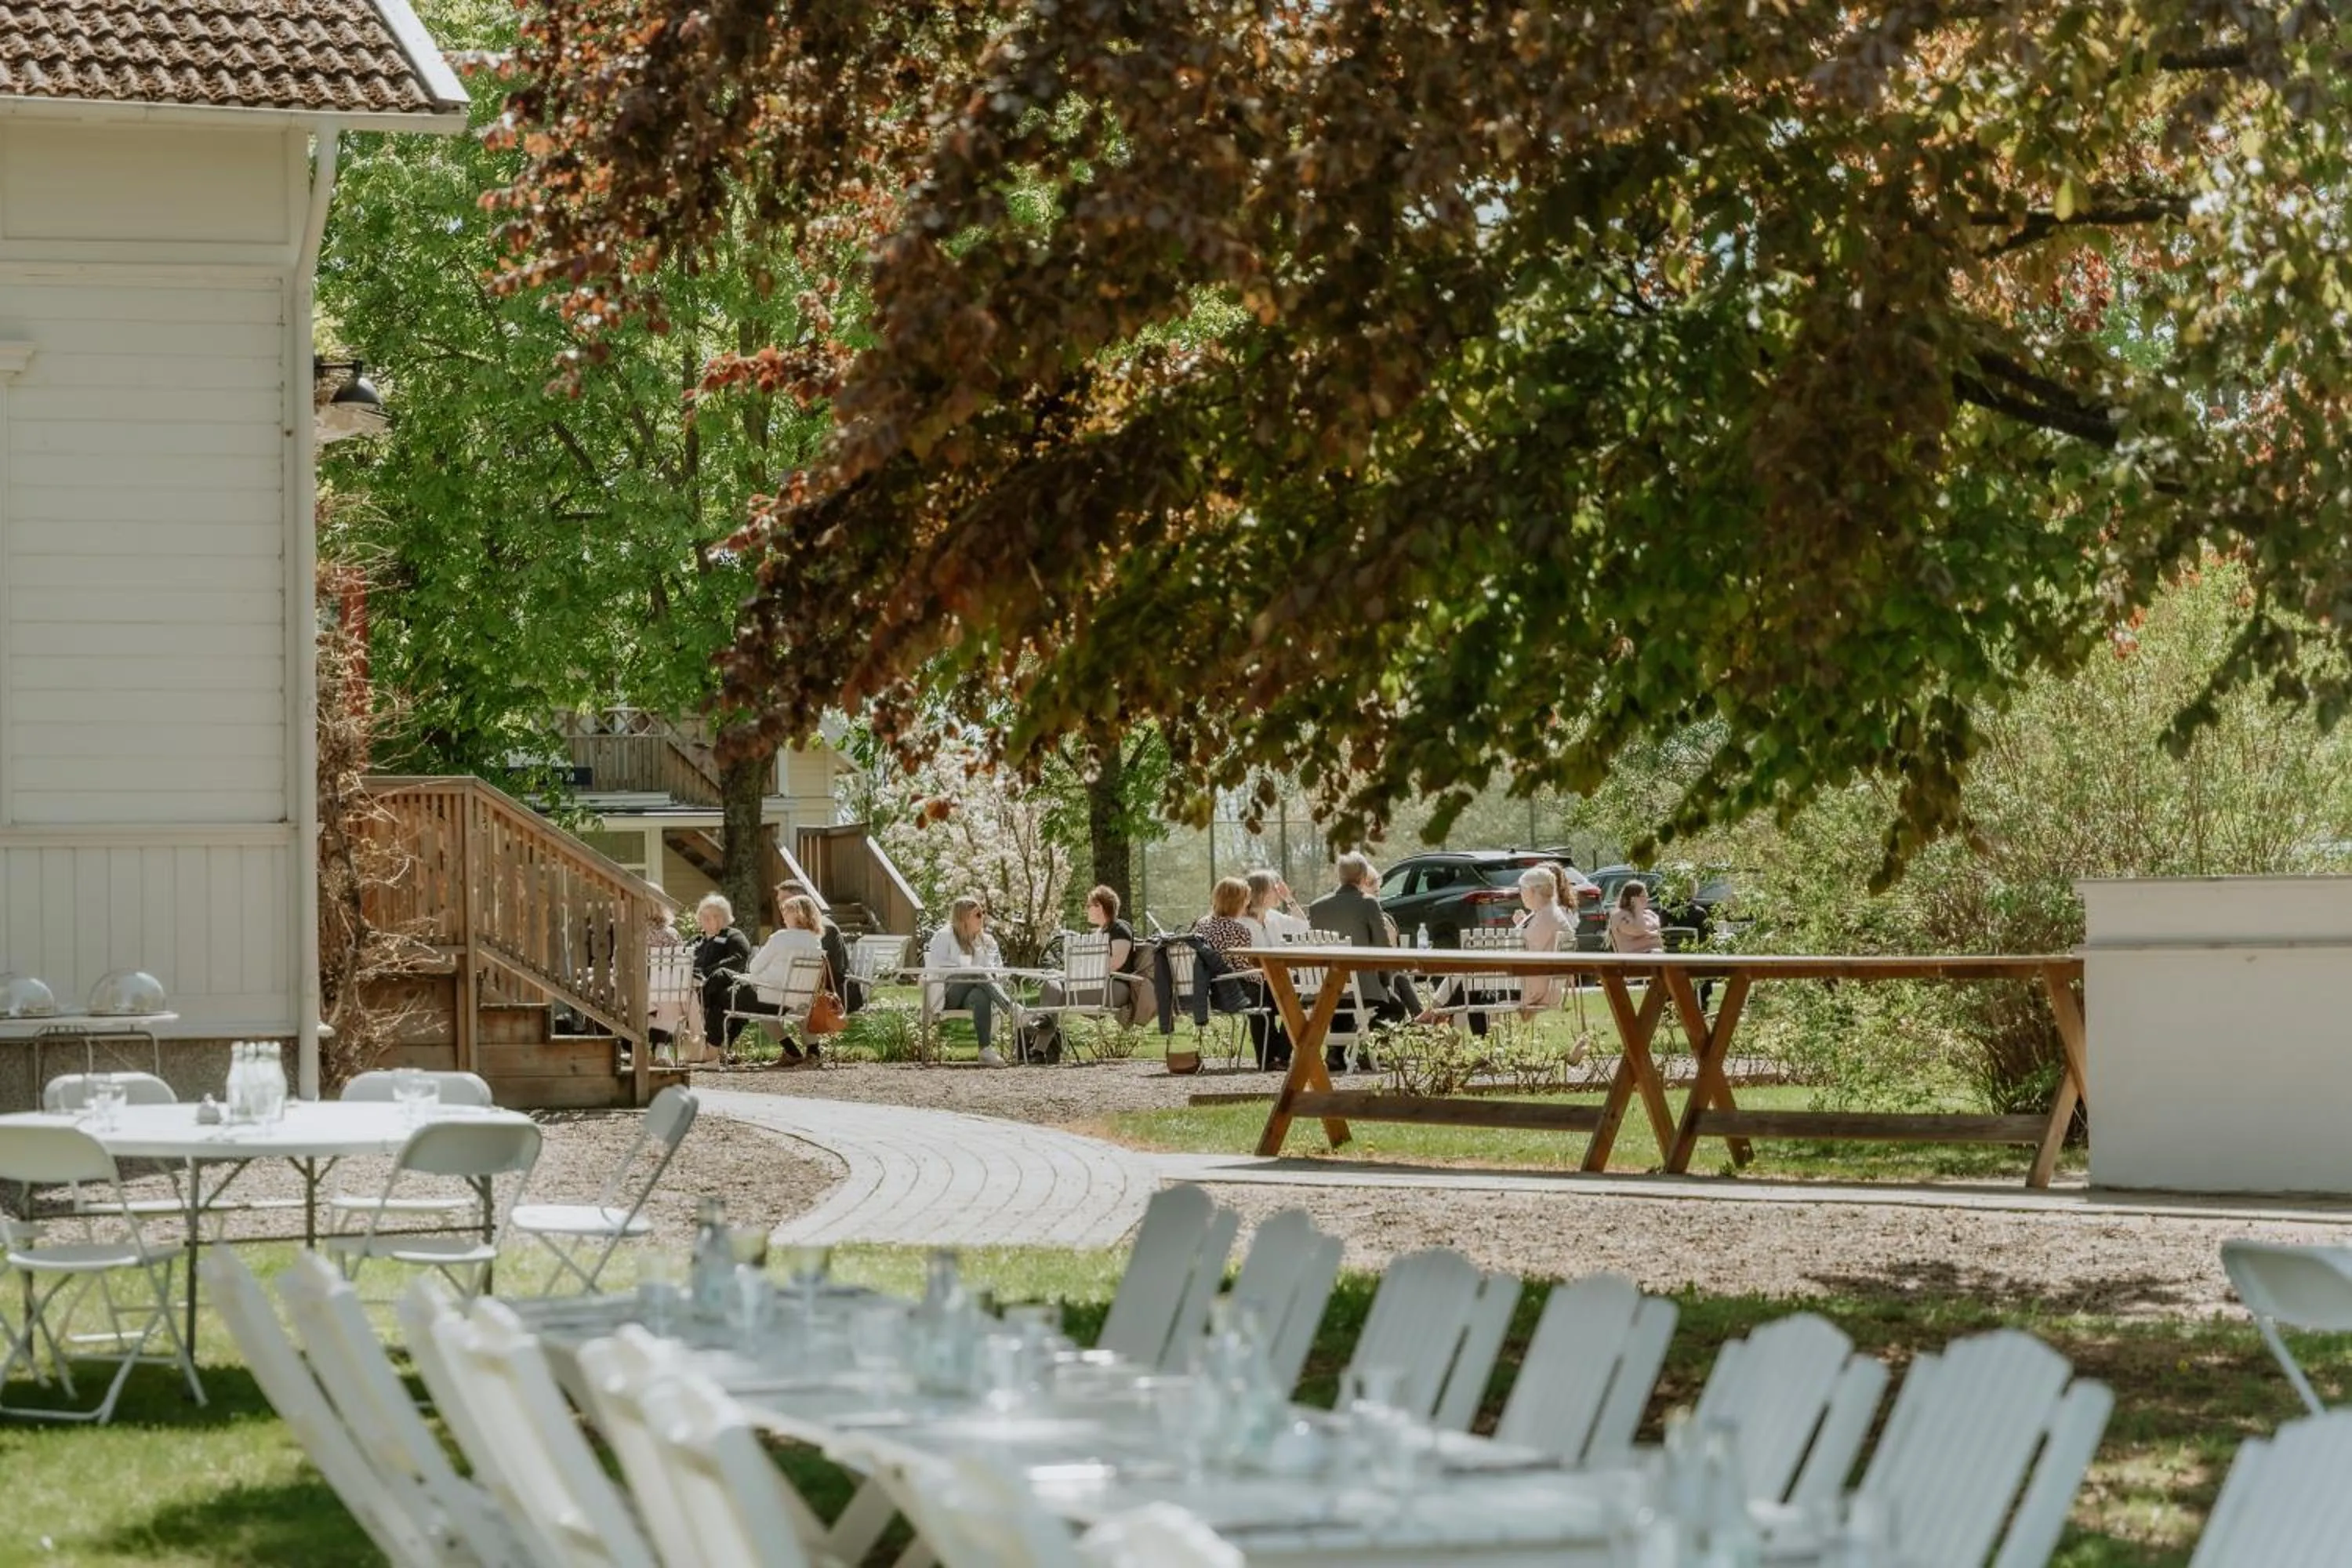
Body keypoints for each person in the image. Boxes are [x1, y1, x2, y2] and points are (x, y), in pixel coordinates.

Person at [1194, 877, 1287, 1069]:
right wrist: (1265, 974)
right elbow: (1245, 970)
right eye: (1246, 899)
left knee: (1275, 996)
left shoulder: (1202, 925)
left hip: (1211, 991)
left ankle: (1273, 1057)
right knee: (1288, 998)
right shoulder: (1238, 929)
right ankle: (1277, 1056)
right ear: (1238, 902)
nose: (1248, 902)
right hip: (1233, 992)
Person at [722, 894, 828, 1060]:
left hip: (773, 998)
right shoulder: (815, 941)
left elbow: (755, 967)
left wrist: (761, 976)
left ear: (798, 913)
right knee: (761, 1002)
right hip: (801, 999)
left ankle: (717, 1050)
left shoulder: (781, 937)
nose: (783, 916)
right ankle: (811, 1051)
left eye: (786, 912)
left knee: (728, 995)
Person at [925, 895, 1014, 1067]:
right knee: (977, 973)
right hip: (948, 993)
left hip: (973, 993)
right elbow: (936, 968)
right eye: (978, 915)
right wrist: (966, 970)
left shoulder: (986, 940)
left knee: (981, 995)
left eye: (983, 913)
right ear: (964, 917)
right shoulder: (943, 936)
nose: (983, 918)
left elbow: (998, 969)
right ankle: (1013, 1010)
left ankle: (985, 1051)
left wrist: (988, 973)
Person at [690, 893, 752, 1051]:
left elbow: (737, 960)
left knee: (718, 995)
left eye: (716, 916)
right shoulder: (696, 941)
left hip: (723, 988)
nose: (710, 919)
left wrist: (705, 972)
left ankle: (712, 1049)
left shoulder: (734, 936)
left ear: (725, 917)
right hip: (693, 987)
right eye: (705, 916)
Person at [1242, 869, 1309, 946]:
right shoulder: (1240, 923)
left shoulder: (1273, 916)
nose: (1279, 893)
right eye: (1275, 889)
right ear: (1260, 893)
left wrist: (1289, 898)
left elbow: (1303, 926)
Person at [1608, 880, 1666, 955]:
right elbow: (1639, 929)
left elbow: (1658, 934)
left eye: (1646, 896)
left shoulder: (1650, 914)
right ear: (1632, 899)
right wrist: (1637, 908)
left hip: (1656, 959)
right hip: (1633, 962)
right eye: (1642, 896)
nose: (1646, 899)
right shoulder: (1620, 916)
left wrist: (1649, 934)